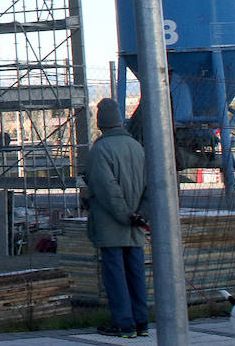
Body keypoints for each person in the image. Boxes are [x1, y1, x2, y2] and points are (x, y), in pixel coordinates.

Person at [84, 98, 150, 339]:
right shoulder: (137, 147)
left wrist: (125, 215)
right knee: (136, 273)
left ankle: (124, 324)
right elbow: (151, 186)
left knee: (115, 276)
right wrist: (141, 214)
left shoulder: (99, 151)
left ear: (100, 123)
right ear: (120, 120)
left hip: (112, 224)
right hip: (136, 225)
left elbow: (106, 188)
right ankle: (141, 321)